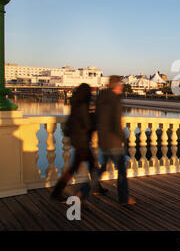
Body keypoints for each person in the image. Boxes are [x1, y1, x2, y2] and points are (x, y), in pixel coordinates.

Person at [51, 83, 106, 202]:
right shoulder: (82, 105)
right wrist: (94, 118)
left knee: (89, 165)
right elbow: (87, 124)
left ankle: (96, 186)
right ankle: (57, 192)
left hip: (77, 139)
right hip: (82, 140)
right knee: (78, 167)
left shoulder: (75, 103)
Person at [94, 76, 136, 205]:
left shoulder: (101, 98)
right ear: (117, 85)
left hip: (103, 139)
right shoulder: (115, 100)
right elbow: (116, 123)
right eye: (121, 84)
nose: (122, 86)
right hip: (113, 141)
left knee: (102, 168)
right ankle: (124, 198)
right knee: (122, 170)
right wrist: (124, 139)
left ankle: (86, 190)